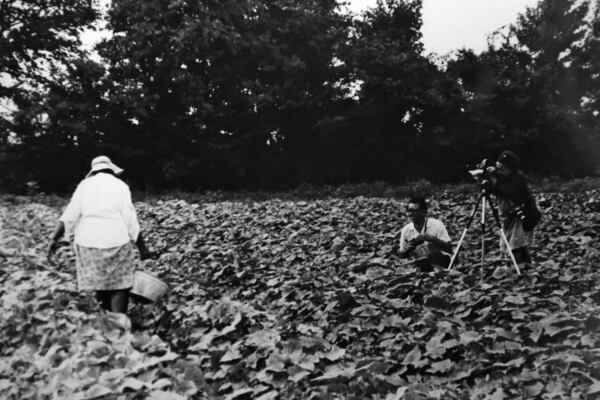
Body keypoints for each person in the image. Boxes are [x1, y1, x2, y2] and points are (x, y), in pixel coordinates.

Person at [47, 155, 156, 314]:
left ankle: (105, 321)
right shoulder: (120, 186)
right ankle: (120, 322)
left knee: (99, 284)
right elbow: (130, 219)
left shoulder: (84, 185)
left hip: (88, 241)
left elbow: (69, 215)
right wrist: (142, 248)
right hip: (116, 240)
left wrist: (53, 239)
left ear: (93, 171)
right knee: (120, 284)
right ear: (111, 169)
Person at [487, 150, 540, 270]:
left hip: (522, 214)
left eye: (502, 169)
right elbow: (495, 190)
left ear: (511, 169)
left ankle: (519, 269)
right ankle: (526, 267)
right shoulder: (501, 177)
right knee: (516, 243)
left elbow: (507, 192)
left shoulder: (518, 179)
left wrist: (494, 178)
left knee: (516, 244)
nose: (499, 171)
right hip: (508, 215)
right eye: (497, 168)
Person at [399, 197, 453, 270]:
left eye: (414, 211)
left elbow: (449, 248)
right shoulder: (406, 230)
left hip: (439, 262)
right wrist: (407, 249)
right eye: (409, 210)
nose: (410, 214)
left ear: (424, 212)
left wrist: (433, 239)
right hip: (418, 264)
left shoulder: (437, 224)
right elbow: (401, 255)